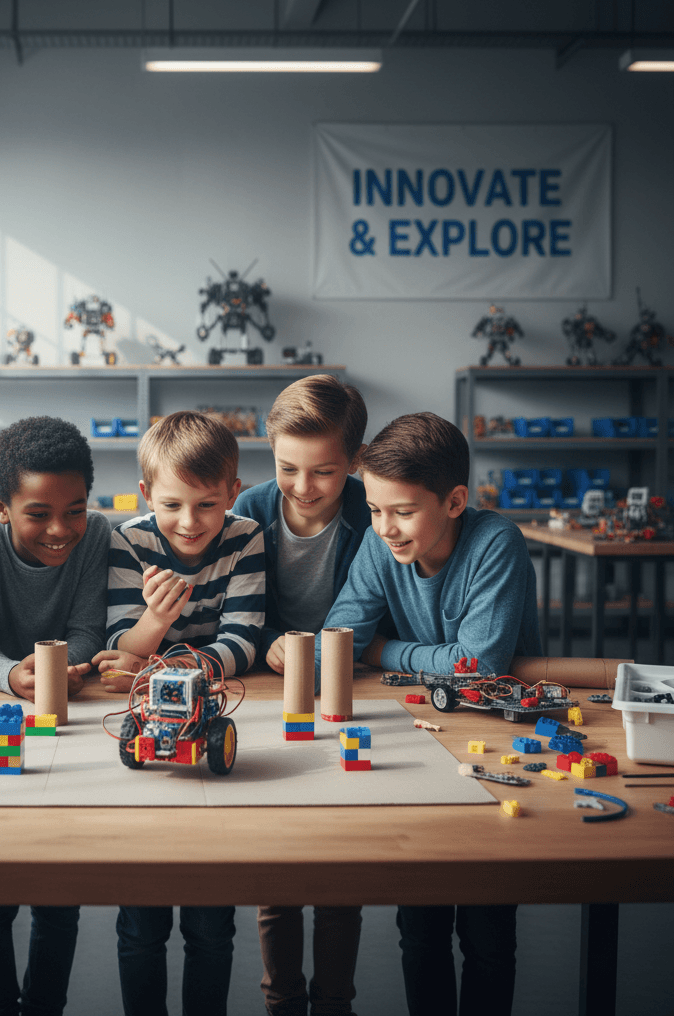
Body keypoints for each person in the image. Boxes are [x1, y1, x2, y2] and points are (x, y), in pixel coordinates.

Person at [324, 411, 542, 1016]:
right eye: (373, 509)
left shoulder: (495, 540)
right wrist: (363, 646)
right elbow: (335, 639)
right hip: (425, 734)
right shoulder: (377, 542)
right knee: (419, 928)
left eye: (403, 511)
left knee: (488, 933)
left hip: (499, 738)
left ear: (454, 501)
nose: (385, 529)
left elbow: (479, 661)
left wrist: (382, 650)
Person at [99, 410, 265, 1016]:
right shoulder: (129, 540)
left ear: (233, 496)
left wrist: (181, 669)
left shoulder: (246, 536)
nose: (189, 523)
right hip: (152, 698)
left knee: (210, 915)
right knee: (140, 917)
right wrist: (157, 623)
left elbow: (244, 637)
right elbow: (121, 646)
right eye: (172, 505)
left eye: (207, 505)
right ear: (145, 494)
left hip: (198, 691)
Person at [0, 415, 109, 1016]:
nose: (60, 529)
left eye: (74, 509)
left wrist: (63, 668)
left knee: (58, 891)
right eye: (38, 513)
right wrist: (14, 677)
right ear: (0, 506)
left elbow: (87, 628)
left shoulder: (95, 535)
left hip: (68, 712)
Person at [235, 374, 369, 1016]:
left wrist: (333, 648)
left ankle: (336, 997)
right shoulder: (251, 511)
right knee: (279, 855)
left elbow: (380, 610)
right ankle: (281, 997)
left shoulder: (374, 512)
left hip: (348, 688)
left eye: (325, 471)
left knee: (343, 853)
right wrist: (267, 643)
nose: (304, 487)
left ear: (355, 464)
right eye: (289, 467)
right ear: (271, 454)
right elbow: (226, 612)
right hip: (267, 690)